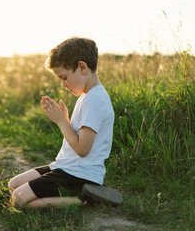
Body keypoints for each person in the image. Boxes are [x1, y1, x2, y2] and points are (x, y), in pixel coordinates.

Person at [8, 37, 121, 208]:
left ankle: (85, 199)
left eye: (64, 78)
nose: (62, 85)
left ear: (82, 67)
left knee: (19, 199)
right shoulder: (87, 96)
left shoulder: (95, 100)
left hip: (79, 174)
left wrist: (62, 122)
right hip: (65, 167)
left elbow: (82, 149)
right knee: (14, 184)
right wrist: (66, 120)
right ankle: (86, 193)